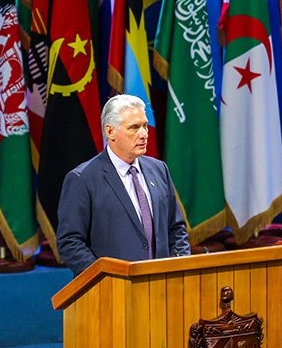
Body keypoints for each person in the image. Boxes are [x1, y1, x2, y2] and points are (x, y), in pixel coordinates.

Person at [57, 94, 191, 275]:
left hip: (162, 287)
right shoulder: (82, 179)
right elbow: (70, 241)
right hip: (112, 292)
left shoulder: (159, 169)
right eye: (134, 128)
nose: (143, 134)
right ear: (110, 131)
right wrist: (104, 279)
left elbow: (176, 228)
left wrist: (179, 269)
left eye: (144, 126)